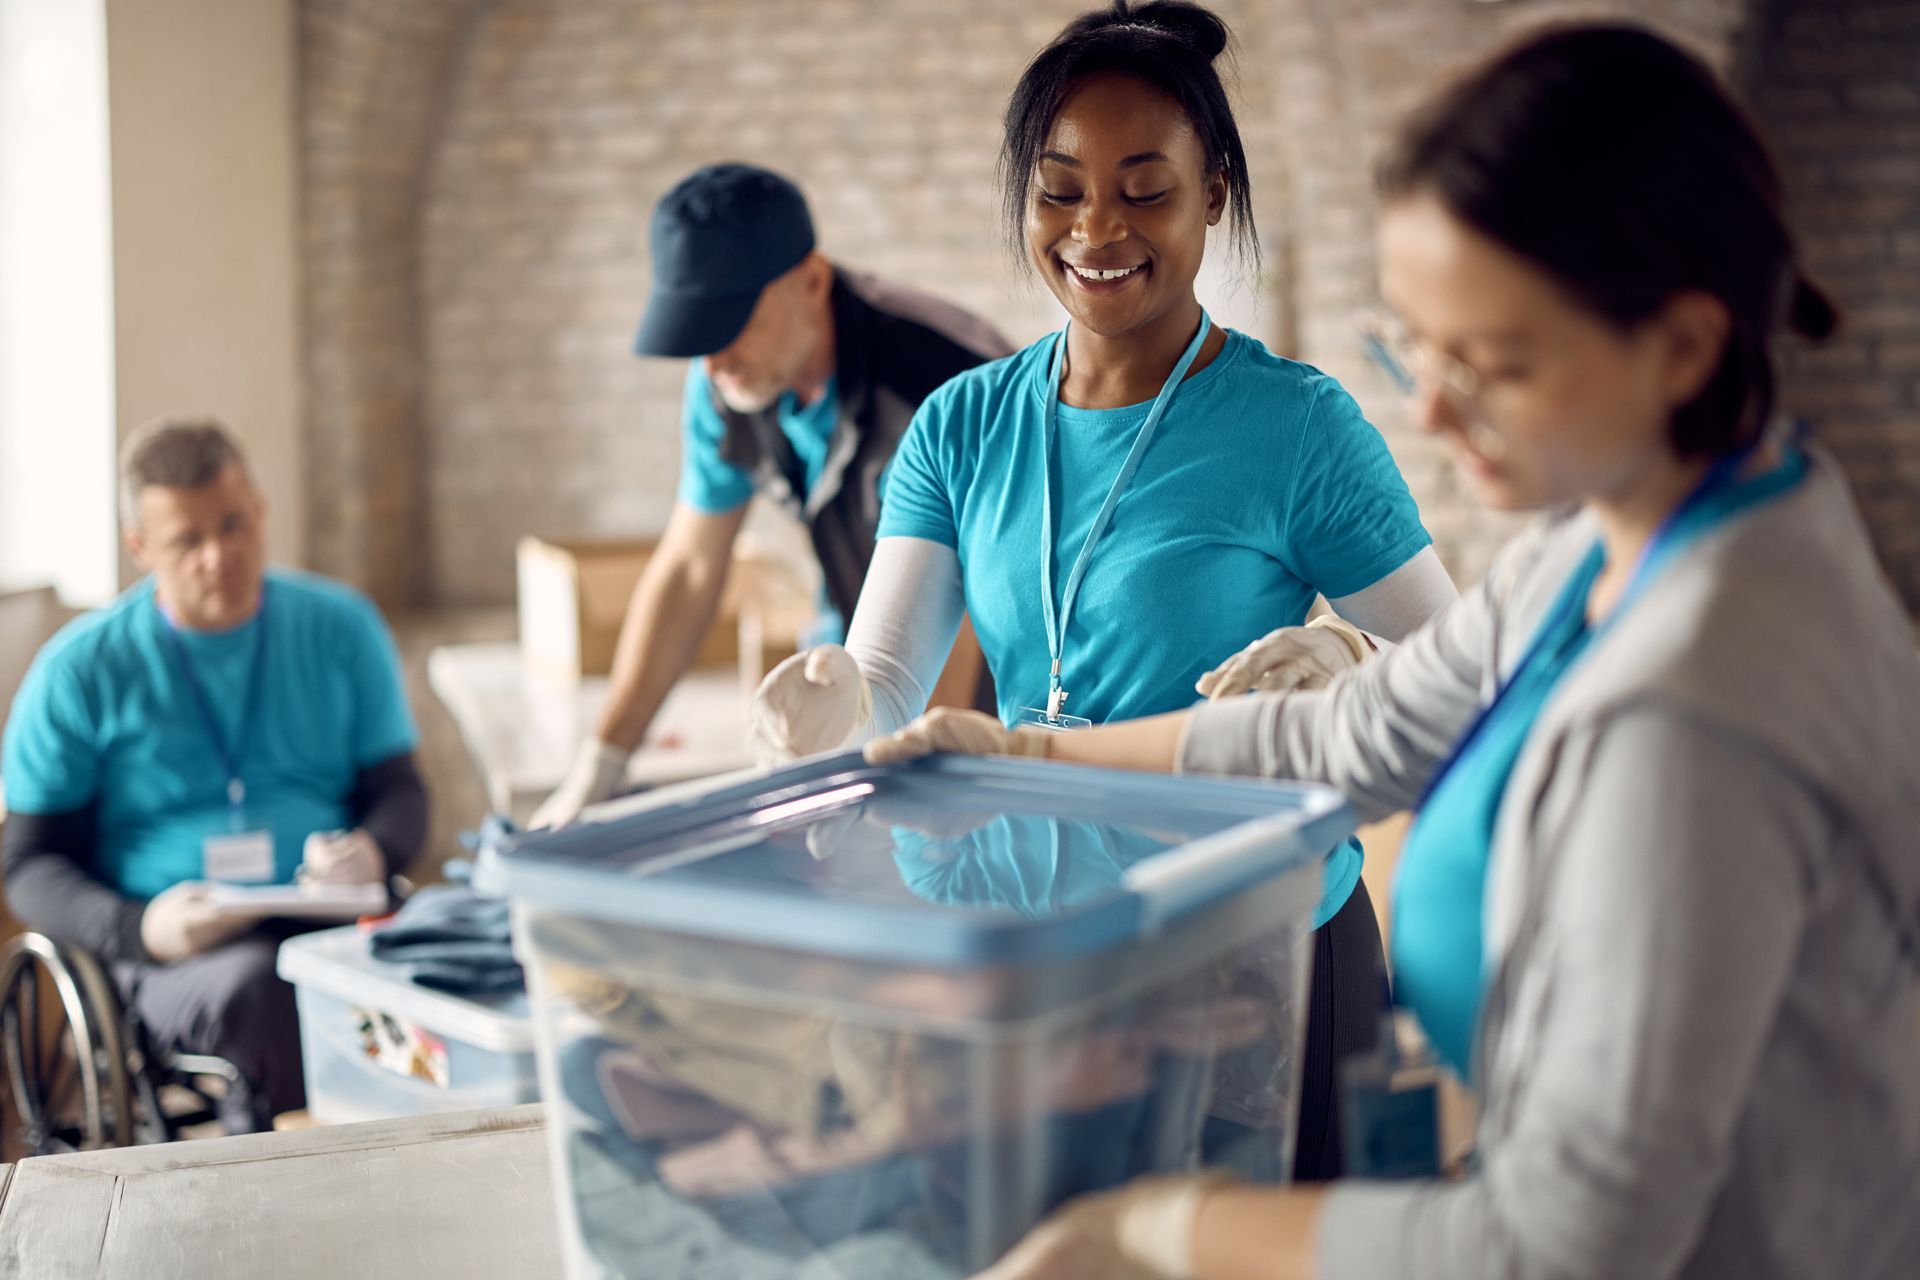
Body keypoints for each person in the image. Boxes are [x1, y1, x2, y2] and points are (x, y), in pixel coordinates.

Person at [868, 21, 1920, 1280]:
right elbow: (1352, 734)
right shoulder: (1606, 547)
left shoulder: (1694, 713)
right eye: (1415, 346)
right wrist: (1027, 749)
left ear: (1684, 346)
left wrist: (1156, 1226)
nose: (1426, 407)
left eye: (1491, 363)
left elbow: (1562, 1242)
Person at [749, 1, 1457, 1181]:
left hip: (1254, 956)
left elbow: (1467, 671)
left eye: (1145, 188)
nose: (1097, 229)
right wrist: (829, 709)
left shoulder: (1297, 427)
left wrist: (1353, 668)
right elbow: (886, 685)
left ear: (1216, 193)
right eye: (1061, 188)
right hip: (1042, 949)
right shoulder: (964, 425)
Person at [532, 163, 1014, 829]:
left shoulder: (945, 374)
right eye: (693, 334)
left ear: (812, 280)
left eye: (728, 324)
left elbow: (965, 599)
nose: (711, 362)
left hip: (1003, 691)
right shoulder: (727, 387)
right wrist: (603, 761)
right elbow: (691, 569)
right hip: (863, 677)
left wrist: (909, 795)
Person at [1, 417, 427, 1133]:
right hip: (170, 953)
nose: (218, 556)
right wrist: (141, 929)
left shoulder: (342, 627)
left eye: (233, 526)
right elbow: (27, 865)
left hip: (327, 917)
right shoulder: (79, 673)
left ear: (260, 508)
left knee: (460, 947)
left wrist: (374, 849)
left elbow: (401, 793)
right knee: (265, 990)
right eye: (187, 541)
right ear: (140, 548)